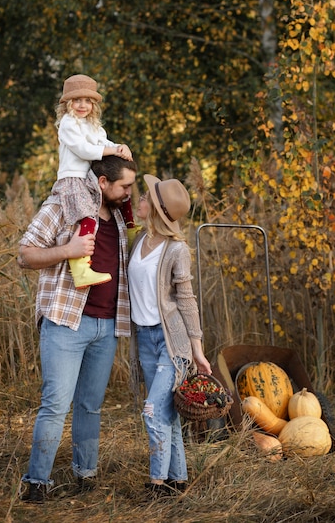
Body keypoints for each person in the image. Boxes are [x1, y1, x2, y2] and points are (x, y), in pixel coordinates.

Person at [17, 155, 137, 504]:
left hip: (107, 325)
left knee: (91, 405)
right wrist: (67, 249)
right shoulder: (62, 205)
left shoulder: (116, 216)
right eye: (124, 186)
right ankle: (36, 482)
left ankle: (86, 474)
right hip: (66, 323)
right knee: (55, 404)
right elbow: (24, 254)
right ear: (102, 183)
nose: (130, 192)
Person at [128, 175, 212, 498]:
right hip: (145, 341)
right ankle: (179, 481)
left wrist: (198, 351)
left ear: (157, 210)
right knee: (166, 414)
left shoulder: (176, 250)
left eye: (147, 197)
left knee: (151, 410)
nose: (141, 199)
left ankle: (157, 484)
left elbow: (187, 301)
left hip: (171, 343)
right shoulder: (138, 242)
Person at [51, 73, 133, 289]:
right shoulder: (68, 123)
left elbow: (103, 142)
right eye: (77, 100)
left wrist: (120, 147)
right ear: (68, 103)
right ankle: (81, 270)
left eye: (88, 101)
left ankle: (131, 228)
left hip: (88, 179)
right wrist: (112, 149)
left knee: (121, 192)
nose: (82, 105)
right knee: (88, 217)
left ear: (94, 104)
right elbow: (84, 150)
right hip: (73, 179)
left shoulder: (93, 125)